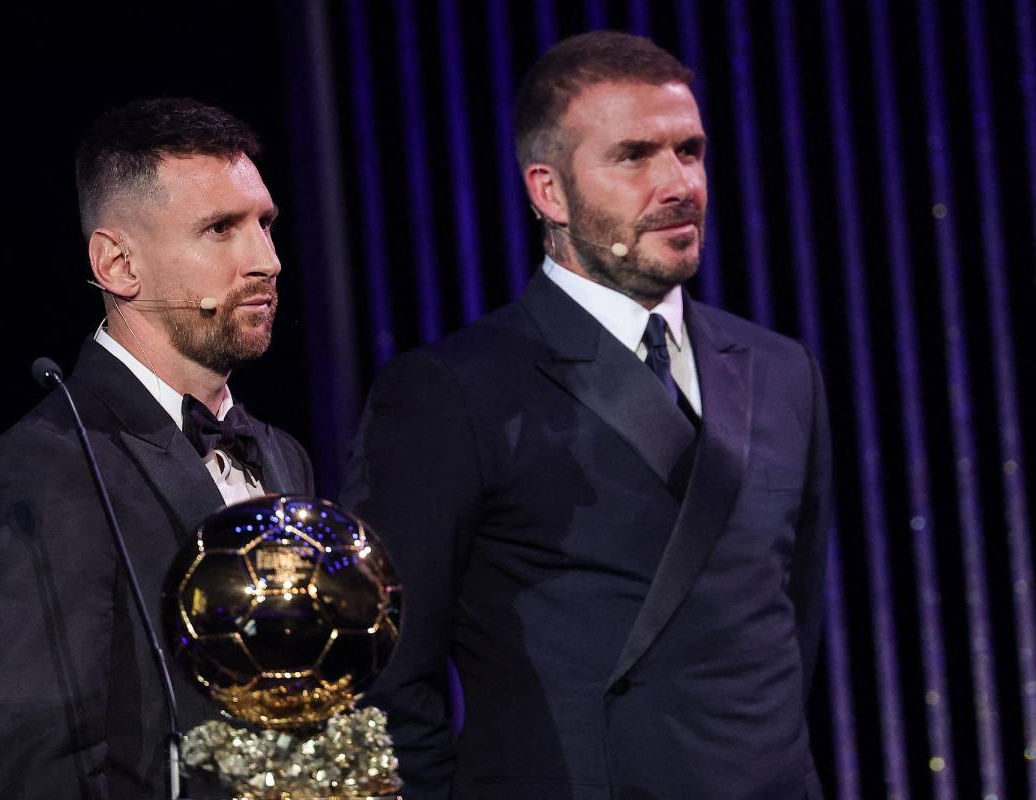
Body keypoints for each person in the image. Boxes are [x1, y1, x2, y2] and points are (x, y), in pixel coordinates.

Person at [343, 32, 831, 800]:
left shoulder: (779, 370)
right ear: (549, 191)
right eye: (634, 156)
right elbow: (391, 678)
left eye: (690, 150)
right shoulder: (451, 388)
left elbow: (792, 618)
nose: (678, 183)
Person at [0, 97, 313, 799]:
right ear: (118, 264)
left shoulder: (280, 453)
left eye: (264, 224)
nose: (266, 260)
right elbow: (31, 774)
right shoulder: (45, 467)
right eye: (220, 229)